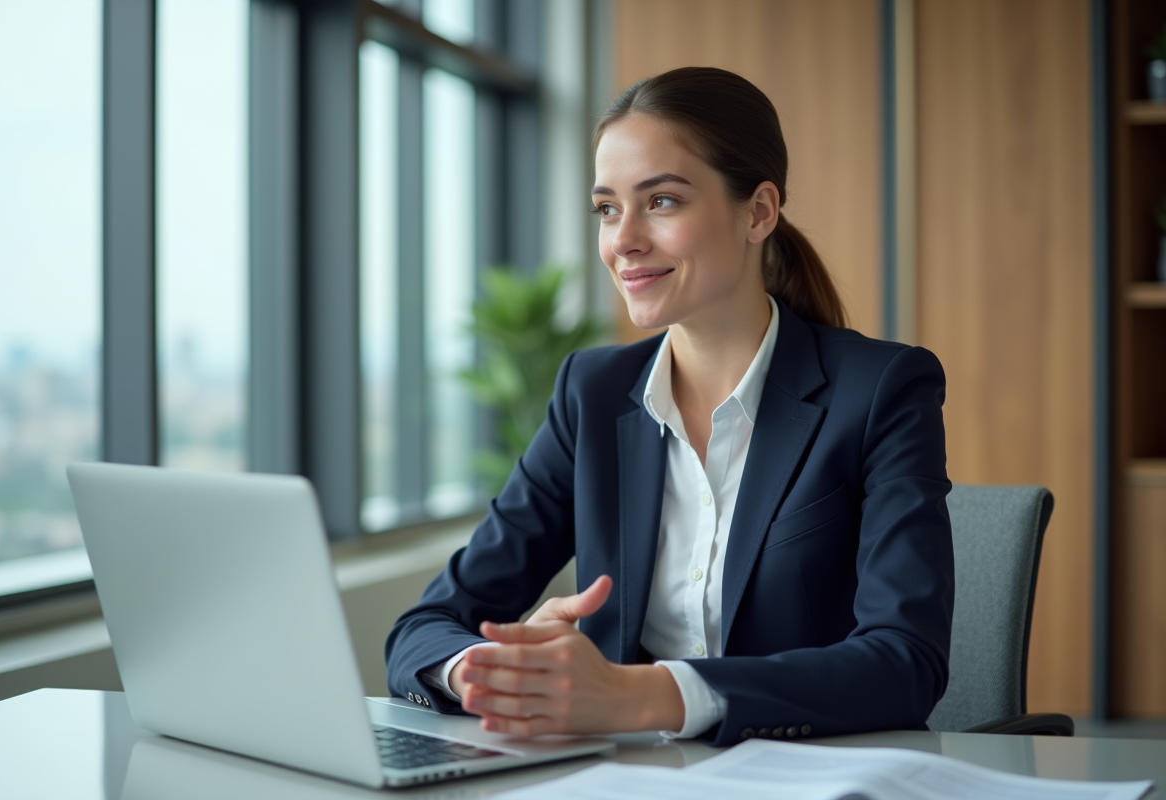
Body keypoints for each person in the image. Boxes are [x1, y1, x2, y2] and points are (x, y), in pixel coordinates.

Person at [385, 66, 954, 746]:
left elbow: (905, 663)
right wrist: (498, 672)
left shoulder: (881, 389)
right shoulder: (590, 395)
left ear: (759, 211)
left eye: (661, 202)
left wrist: (645, 695)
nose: (623, 239)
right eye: (606, 208)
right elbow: (423, 629)